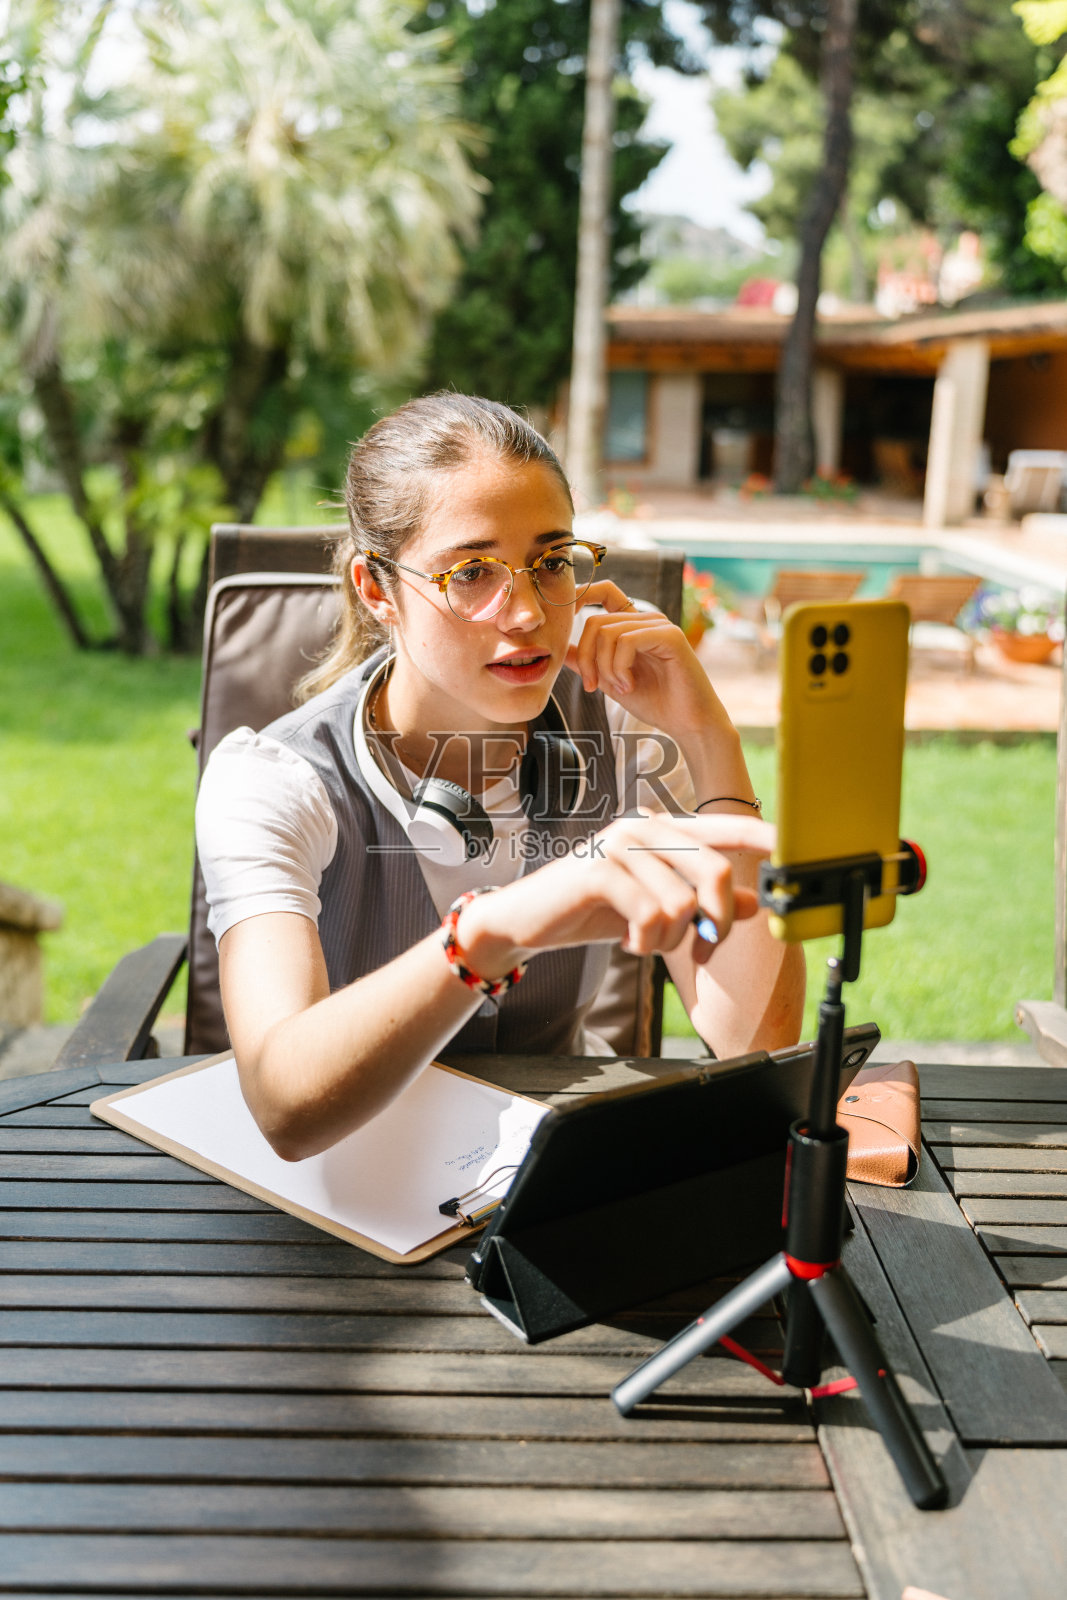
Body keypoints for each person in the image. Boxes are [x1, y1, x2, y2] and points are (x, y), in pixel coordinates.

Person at [196, 394, 805, 1160]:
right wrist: (494, 932)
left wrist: (706, 735)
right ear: (378, 590)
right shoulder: (275, 781)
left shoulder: (621, 730)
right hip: (350, 1180)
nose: (523, 613)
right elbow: (284, 1106)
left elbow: (757, 1039)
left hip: (556, 1173)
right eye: (472, 572)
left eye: (550, 563)